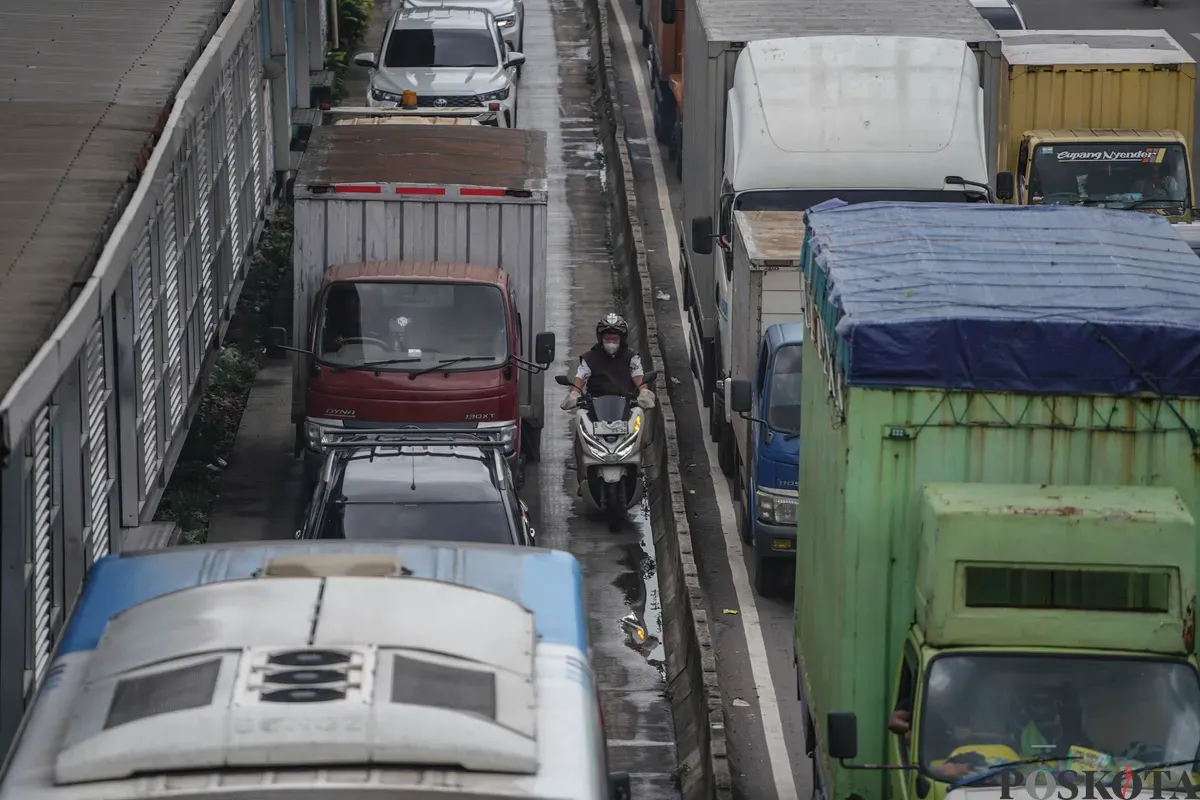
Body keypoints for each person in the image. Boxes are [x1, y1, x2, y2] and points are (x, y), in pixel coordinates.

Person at [561, 314, 656, 410]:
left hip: (627, 406)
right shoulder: (590, 357)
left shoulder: (632, 357)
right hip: (595, 407)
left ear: (621, 339)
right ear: (601, 338)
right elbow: (581, 376)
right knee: (581, 416)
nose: (611, 343)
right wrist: (574, 393)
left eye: (615, 339)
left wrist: (644, 392)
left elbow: (638, 376)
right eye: (607, 339)